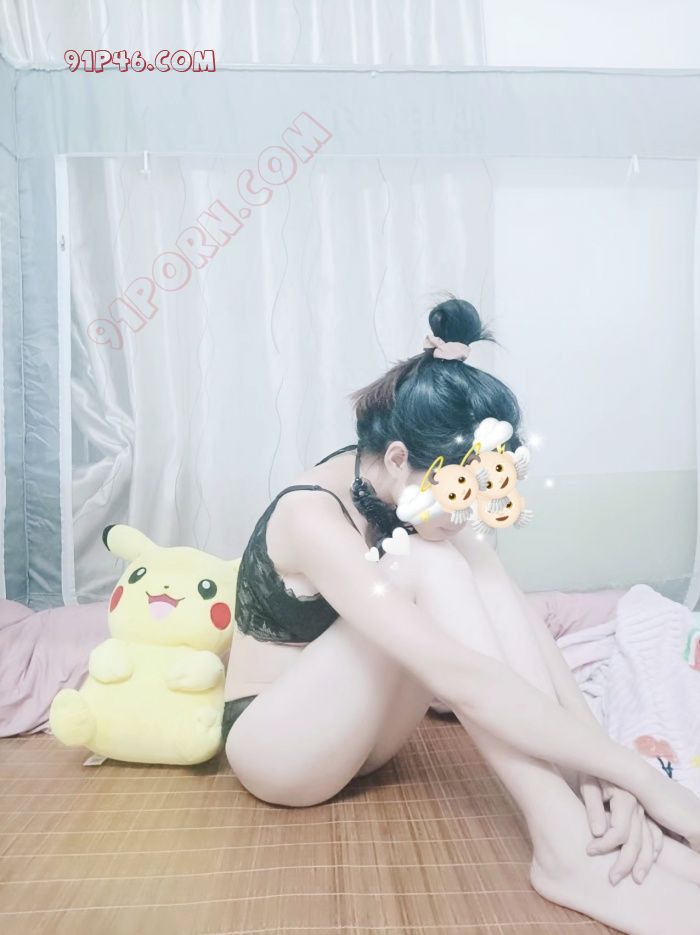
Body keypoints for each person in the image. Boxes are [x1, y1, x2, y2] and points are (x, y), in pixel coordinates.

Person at [223, 296, 700, 933]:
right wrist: (645, 778)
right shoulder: (310, 514)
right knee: (431, 561)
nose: (467, 508)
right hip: (280, 751)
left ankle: (579, 818)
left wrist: (600, 771)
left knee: (458, 556)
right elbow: (460, 675)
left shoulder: (412, 489)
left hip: (367, 739)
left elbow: (521, 625)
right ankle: (563, 847)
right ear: (398, 458)